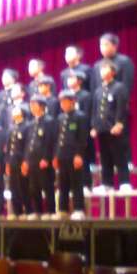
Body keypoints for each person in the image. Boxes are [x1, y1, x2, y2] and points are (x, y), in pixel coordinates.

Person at [90, 59, 131, 192]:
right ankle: (107, 184)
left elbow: (121, 107)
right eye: (101, 69)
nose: (102, 71)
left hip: (115, 128)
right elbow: (95, 111)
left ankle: (125, 182)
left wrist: (119, 123)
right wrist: (94, 127)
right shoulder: (98, 90)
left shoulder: (119, 87)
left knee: (119, 155)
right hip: (102, 129)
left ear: (113, 72)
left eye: (105, 68)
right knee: (105, 156)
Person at [53, 90, 88, 219]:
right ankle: (63, 209)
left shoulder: (80, 116)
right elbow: (58, 139)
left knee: (76, 183)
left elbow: (82, 138)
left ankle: (79, 208)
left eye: (65, 101)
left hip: (74, 155)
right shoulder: (60, 118)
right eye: (61, 102)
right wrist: (56, 155)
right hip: (62, 155)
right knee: (63, 184)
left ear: (73, 101)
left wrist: (79, 154)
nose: (62, 104)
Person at [22, 95, 56, 218]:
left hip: (43, 160)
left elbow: (50, 141)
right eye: (30, 105)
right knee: (33, 187)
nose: (31, 107)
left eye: (34, 104)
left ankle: (51, 212)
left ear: (41, 106)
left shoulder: (49, 121)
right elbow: (28, 143)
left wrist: (46, 158)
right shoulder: (31, 124)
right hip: (32, 160)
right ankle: (37, 211)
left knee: (47, 186)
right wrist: (25, 160)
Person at [5, 104, 31, 218]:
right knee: (13, 187)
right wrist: (7, 163)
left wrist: (26, 161)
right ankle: (17, 211)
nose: (13, 112)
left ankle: (28, 211)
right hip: (12, 162)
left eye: (16, 110)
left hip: (22, 161)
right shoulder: (12, 128)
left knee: (24, 187)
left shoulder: (27, 126)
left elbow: (28, 146)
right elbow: (8, 147)